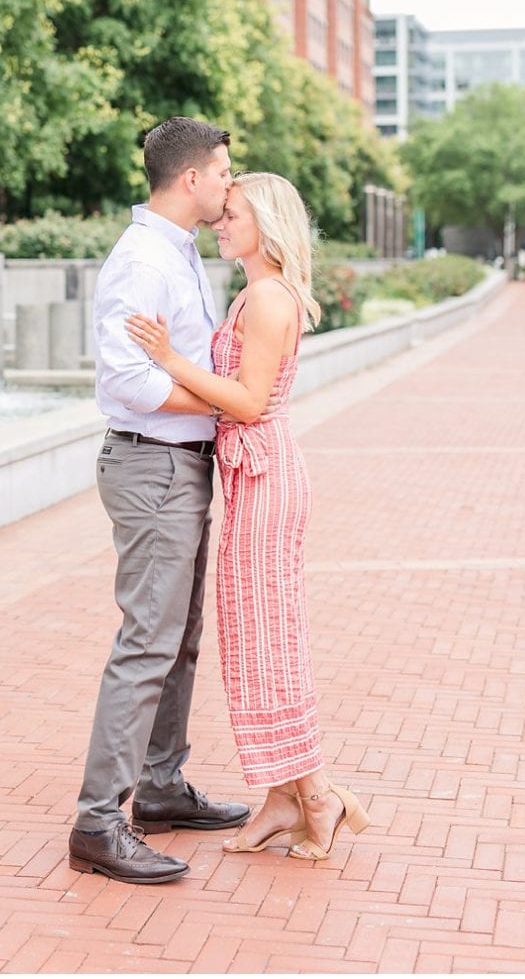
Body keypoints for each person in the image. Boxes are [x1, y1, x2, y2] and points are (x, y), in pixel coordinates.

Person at [126, 172, 371, 861]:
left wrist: (169, 360)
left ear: (265, 220)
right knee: (252, 639)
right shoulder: (252, 291)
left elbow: (249, 400)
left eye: (231, 214)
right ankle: (280, 795)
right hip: (251, 476)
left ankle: (319, 797)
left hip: (266, 477)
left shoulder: (266, 298)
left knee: (270, 641)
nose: (218, 222)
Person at [70, 117, 247, 885]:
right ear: (190, 180)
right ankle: (99, 820)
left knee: (177, 639)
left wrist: (212, 405)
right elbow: (127, 381)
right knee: (148, 642)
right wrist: (220, 402)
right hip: (153, 468)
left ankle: (164, 786)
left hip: (181, 465)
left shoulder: (177, 249)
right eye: (224, 172)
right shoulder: (141, 259)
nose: (229, 185)